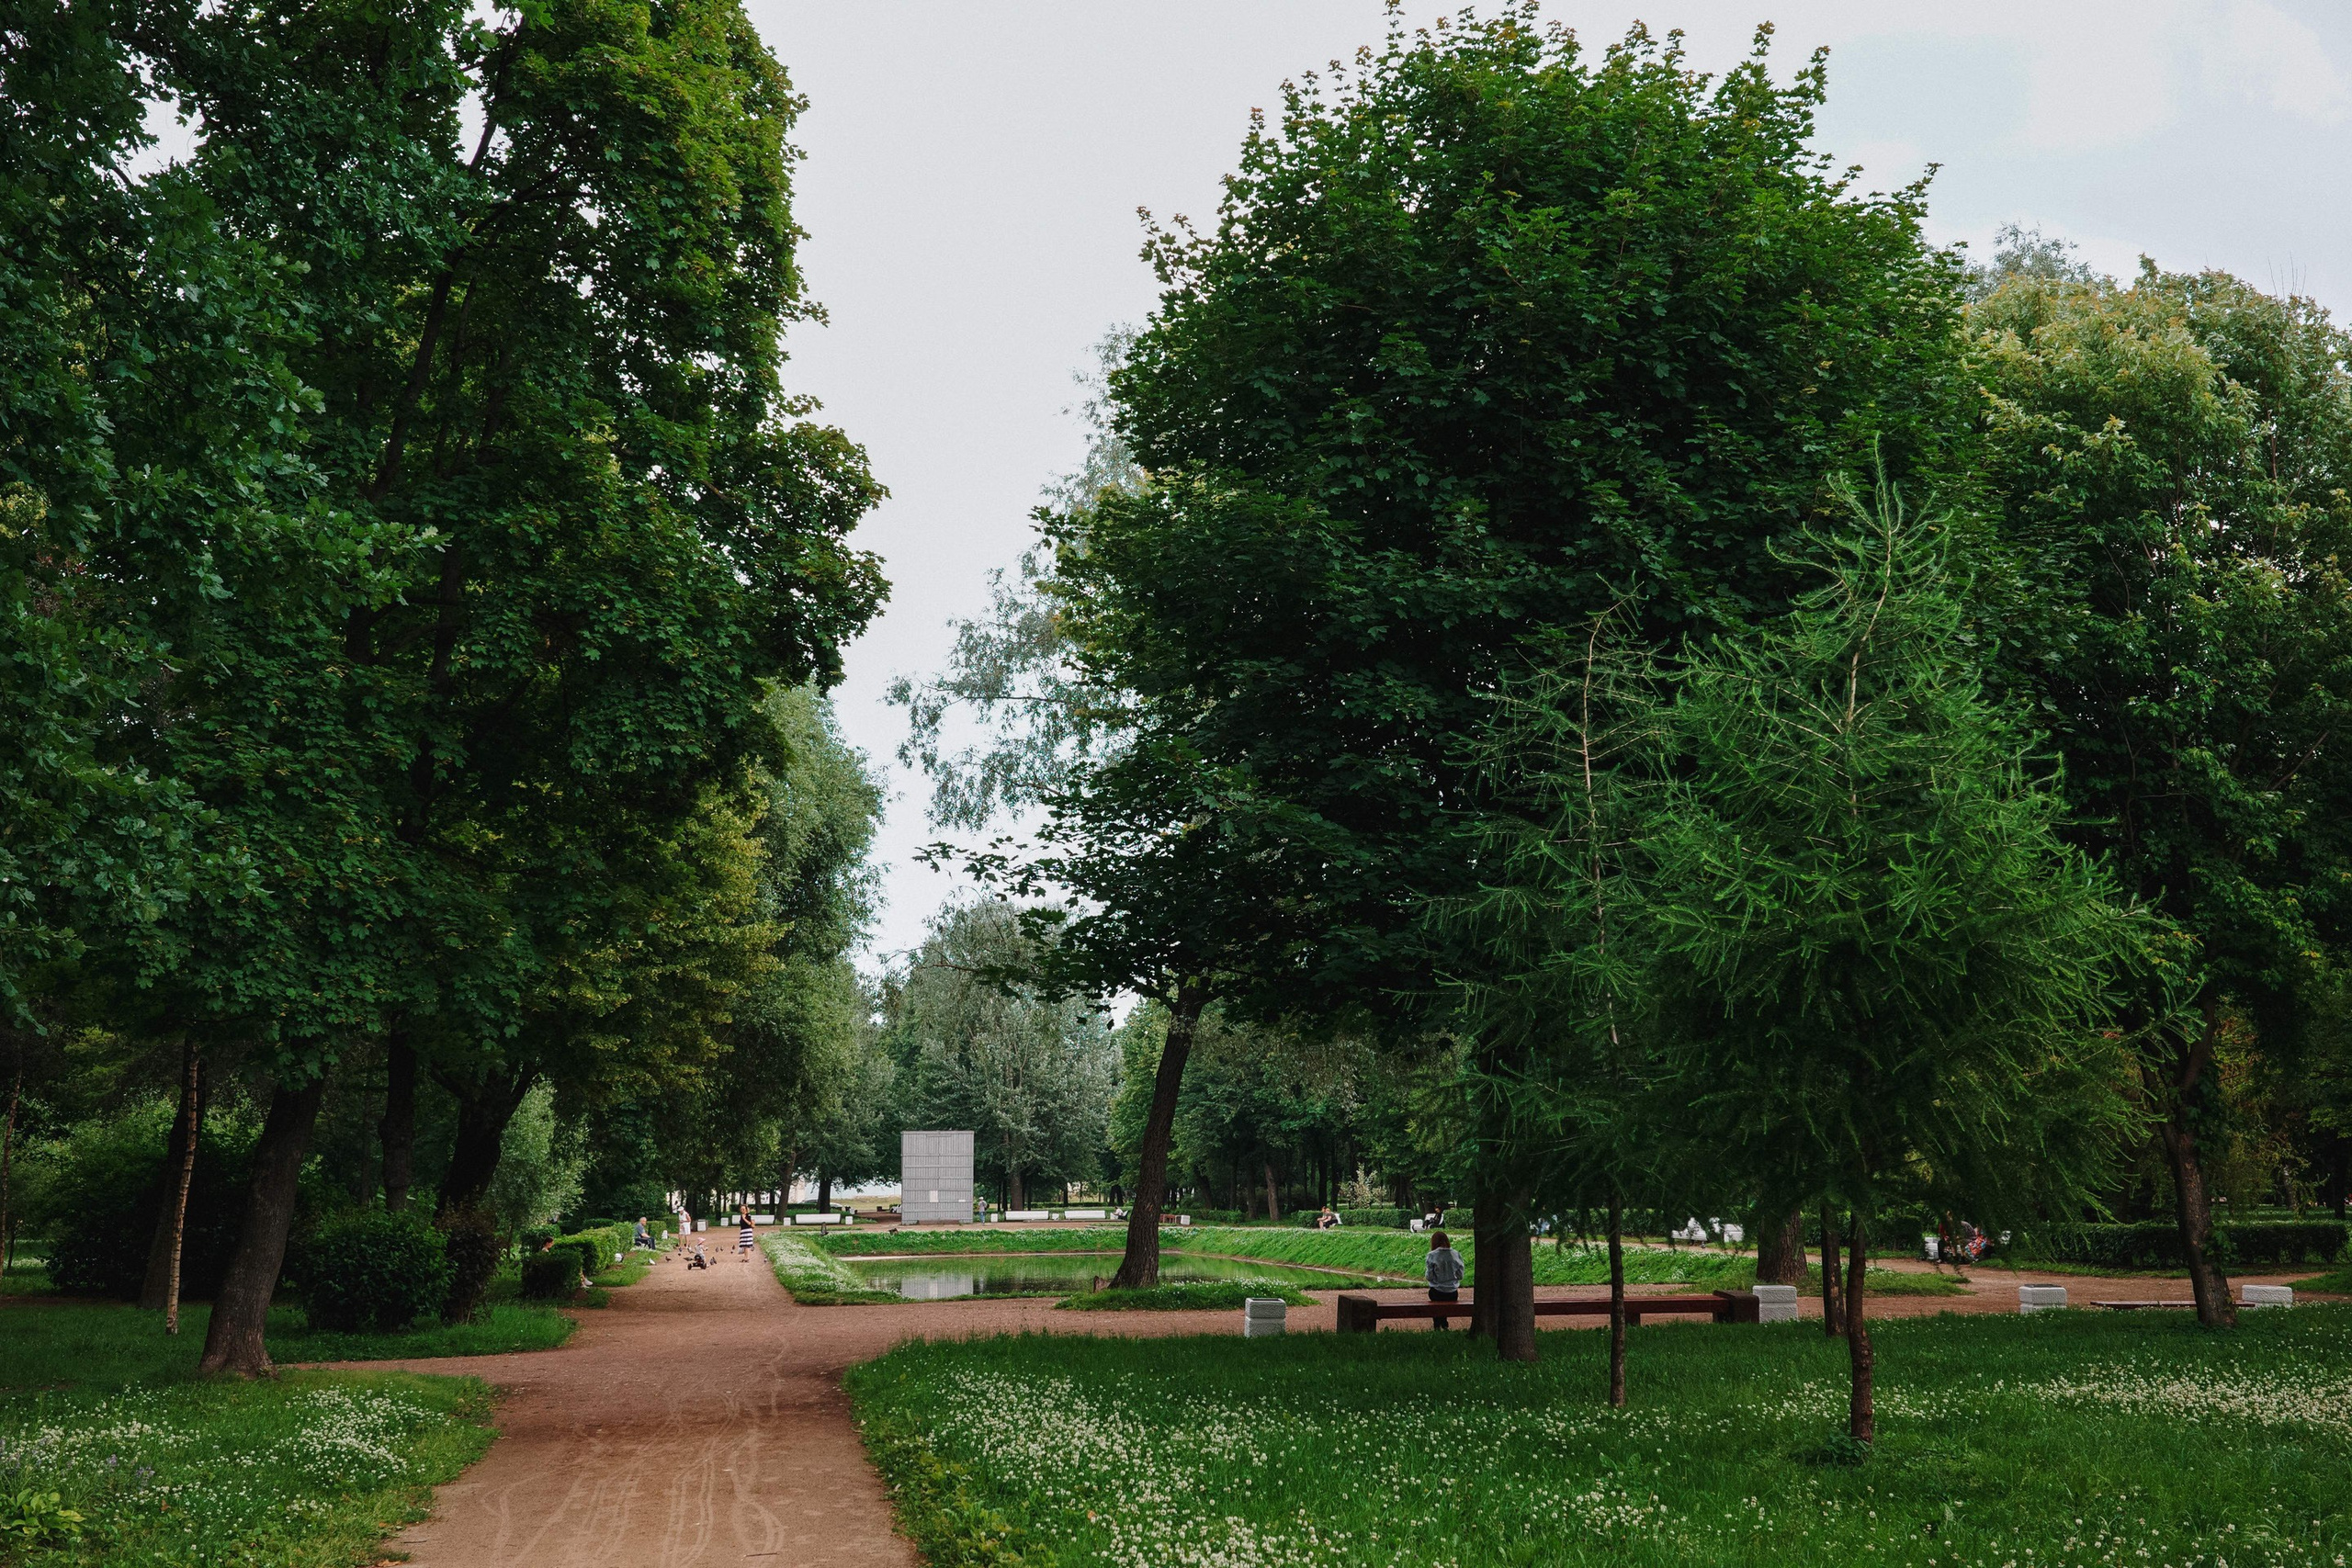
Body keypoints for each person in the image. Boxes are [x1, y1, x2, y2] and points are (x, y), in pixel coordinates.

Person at [1424, 1230, 1465, 1329]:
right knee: (1445, 1306)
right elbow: (1460, 1276)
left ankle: (1438, 1326)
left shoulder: (1432, 1255)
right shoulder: (1456, 1254)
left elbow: (1429, 1277)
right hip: (1452, 1293)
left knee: (1435, 1301)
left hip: (1437, 1292)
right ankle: (1444, 1324)